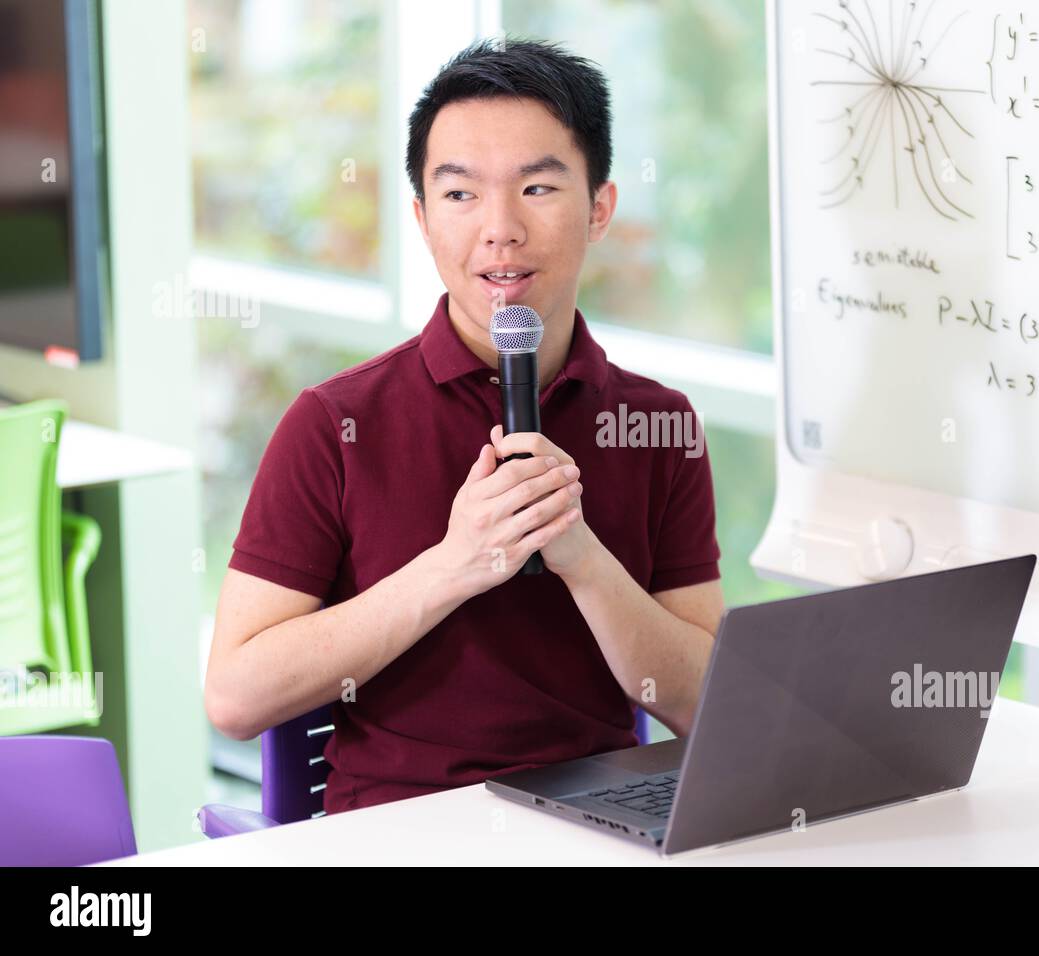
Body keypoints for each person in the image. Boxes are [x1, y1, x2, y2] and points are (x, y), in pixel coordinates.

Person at [203, 37, 724, 813]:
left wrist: (581, 557)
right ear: (420, 217)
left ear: (601, 208)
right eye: (460, 194)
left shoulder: (658, 425)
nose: (500, 229)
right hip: (400, 830)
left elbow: (708, 705)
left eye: (538, 188)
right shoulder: (335, 423)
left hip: (601, 821)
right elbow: (236, 698)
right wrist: (457, 563)